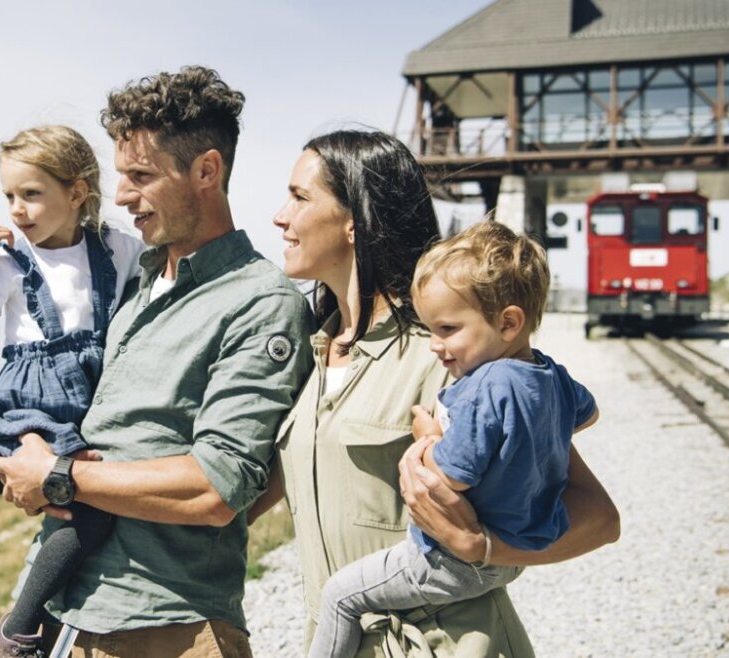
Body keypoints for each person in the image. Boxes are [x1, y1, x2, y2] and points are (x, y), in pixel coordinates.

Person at [249, 129, 620, 658]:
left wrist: (485, 547)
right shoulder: (317, 347)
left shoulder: (453, 355)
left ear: (356, 219)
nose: (280, 216)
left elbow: (598, 517)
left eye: (300, 197)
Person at [0, 65, 314, 657]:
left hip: (167, 625)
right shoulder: (133, 281)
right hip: (67, 615)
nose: (120, 196)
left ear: (206, 172)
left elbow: (220, 487)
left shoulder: (260, 302)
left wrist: (58, 477)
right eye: (120, 175)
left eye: (141, 175)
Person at [308, 220, 601, 658]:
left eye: (447, 329)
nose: (434, 345)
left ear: (507, 324)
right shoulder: (550, 374)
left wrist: (428, 439)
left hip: (450, 561)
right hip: (513, 552)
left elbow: (453, 476)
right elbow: (589, 413)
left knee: (340, 596)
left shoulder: (489, 386)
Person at [0, 125, 146, 657]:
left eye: (31, 194)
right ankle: (18, 629)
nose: (17, 209)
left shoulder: (119, 248)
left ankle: (52, 624)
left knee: (99, 504)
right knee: (91, 509)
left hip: (93, 400)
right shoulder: (9, 261)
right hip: (30, 409)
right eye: (10, 196)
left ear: (77, 192)